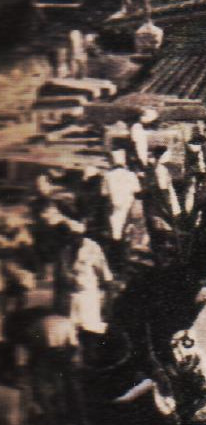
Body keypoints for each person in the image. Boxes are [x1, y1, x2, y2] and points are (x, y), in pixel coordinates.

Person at [64, 222, 114, 361]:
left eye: (76, 237)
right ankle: (75, 365)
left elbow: (106, 275)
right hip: (71, 298)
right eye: (70, 237)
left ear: (82, 236)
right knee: (71, 335)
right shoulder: (66, 250)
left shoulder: (92, 248)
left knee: (90, 332)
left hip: (88, 297)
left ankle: (92, 363)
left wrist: (108, 302)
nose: (73, 240)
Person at [100, 150, 140, 261]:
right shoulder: (131, 175)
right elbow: (137, 191)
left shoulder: (107, 176)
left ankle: (114, 260)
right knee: (126, 234)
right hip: (128, 208)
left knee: (114, 235)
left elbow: (104, 194)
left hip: (114, 209)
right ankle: (124, 260)